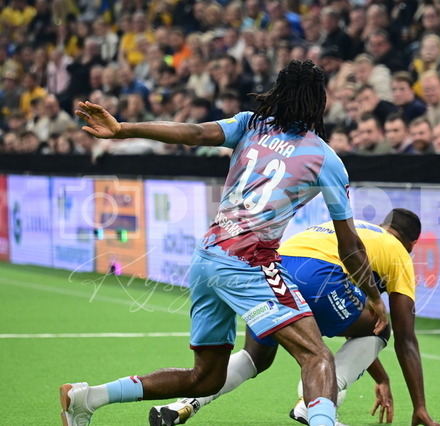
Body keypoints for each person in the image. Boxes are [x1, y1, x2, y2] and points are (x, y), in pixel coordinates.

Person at [59, 60, 388, 426]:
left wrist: (123, 129)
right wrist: (374, 297)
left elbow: (194, 133)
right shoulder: (325, 158)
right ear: (320, 102)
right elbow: (350, 247)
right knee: (317, 357)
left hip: (207, 257)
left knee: (206, 378)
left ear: (278, 92)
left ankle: (88, 398)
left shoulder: (250, 124)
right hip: (250, 262)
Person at [148, 209, 440, 426]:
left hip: (273, 272)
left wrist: (382, 376)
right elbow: (405, 339)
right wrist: (420, 406)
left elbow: (354, 328)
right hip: (319, 276)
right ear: (412, 244)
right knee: (383, 329)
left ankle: (183, 405)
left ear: (384, 225)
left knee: (255, 358)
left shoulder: (356, 229)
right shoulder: (399, 254)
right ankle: (313, 405)